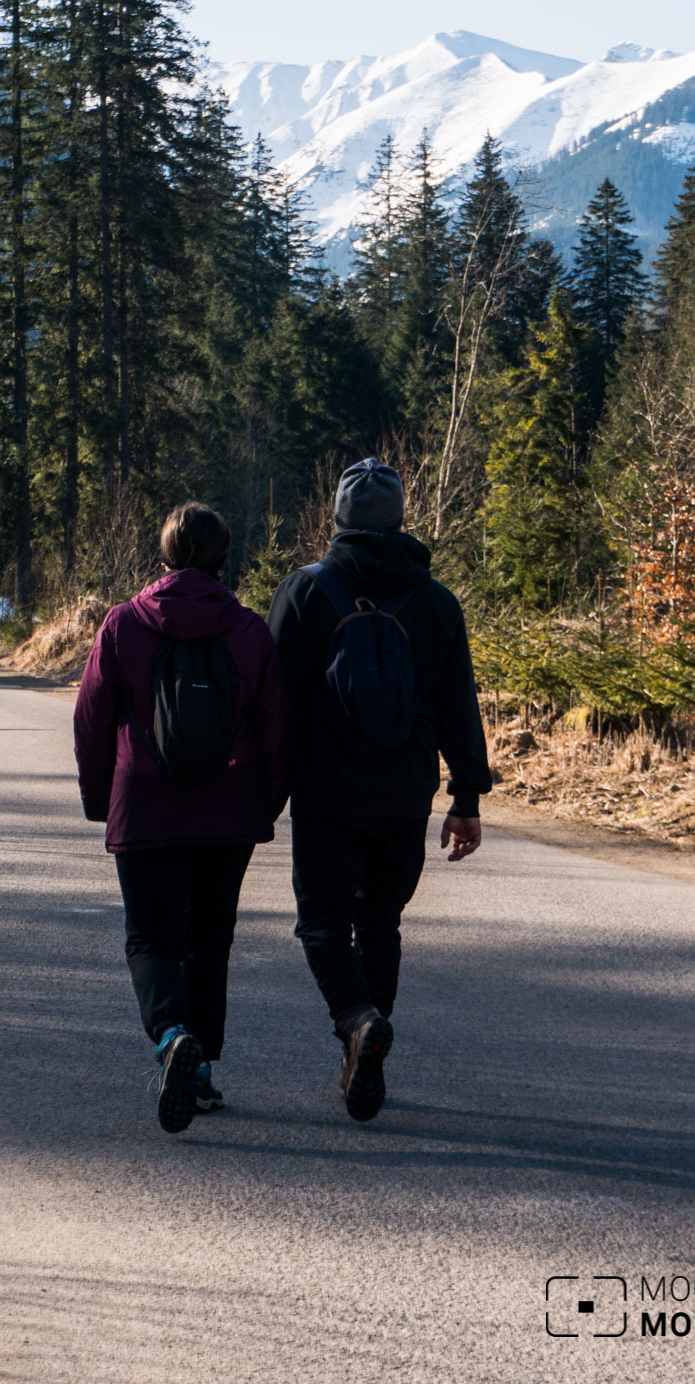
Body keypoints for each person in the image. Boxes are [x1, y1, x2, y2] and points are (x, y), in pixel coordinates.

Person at [267, 456, 491, 1124]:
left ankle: (358, 1021)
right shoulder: (435, 600)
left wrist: (263, 789)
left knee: (322, 922)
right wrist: (467, 798)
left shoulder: (305, 590)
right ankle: (368, 1042)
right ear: (399, 520)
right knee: (380, 920)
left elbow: (272, 699)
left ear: (338, 517)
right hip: (405, 785)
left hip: (326, 785)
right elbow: (458, 703)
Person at [74, 503, 286, 1134]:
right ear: (225, 558)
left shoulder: (122, 625)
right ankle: (200, 1072)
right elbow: (278, 729)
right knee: (209, 940)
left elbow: (89, 721)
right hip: (228, 807)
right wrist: (264, 805)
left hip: (144, 802)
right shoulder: (248, 631)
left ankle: (170, 1037)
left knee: (150, 937)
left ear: (163, 554)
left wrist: (99, 799)